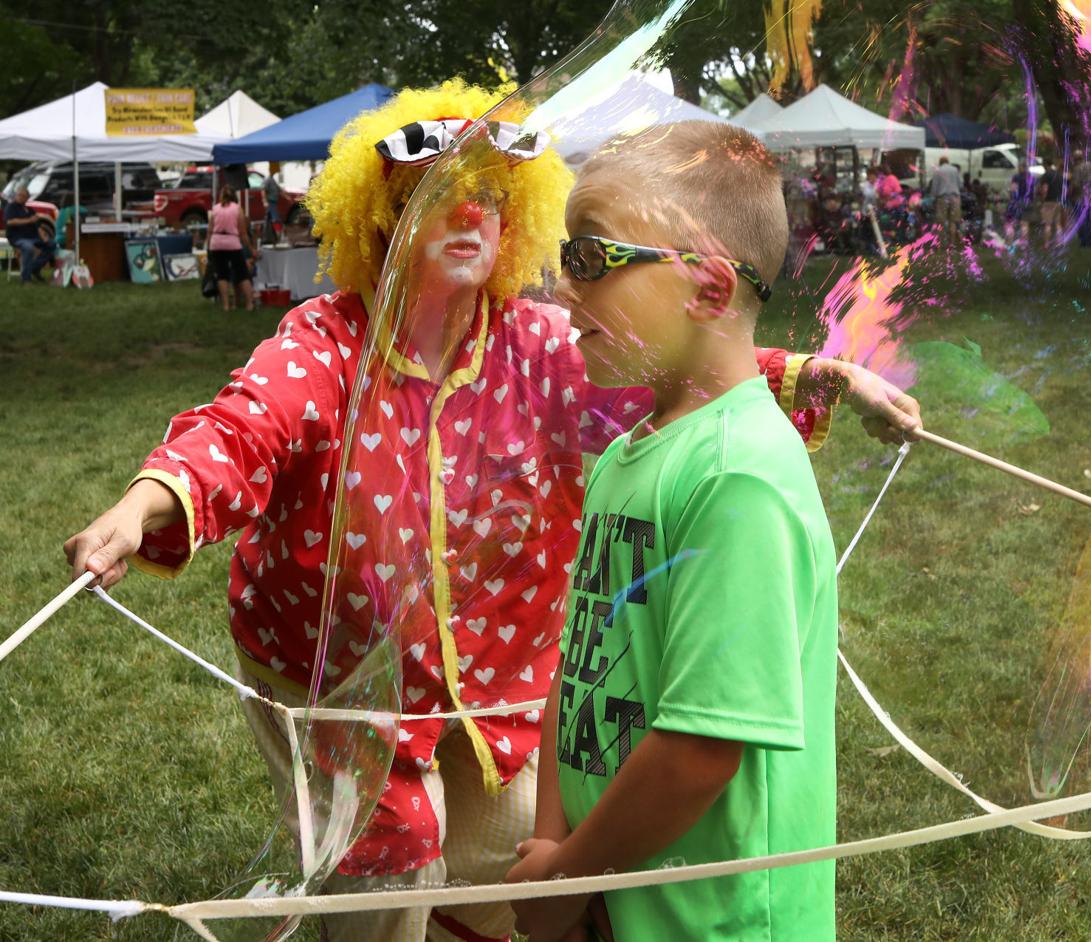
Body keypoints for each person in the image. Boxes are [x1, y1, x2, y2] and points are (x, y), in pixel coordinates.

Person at [64, 82, 920, 942]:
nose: (470, 213)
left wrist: (822, 374)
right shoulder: (325, 345)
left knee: (503, 855)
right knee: (390, 853)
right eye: (435, 195)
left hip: (497, 674)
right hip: (337, 676)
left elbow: (682, 362)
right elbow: (241, 428)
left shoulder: (541, 345)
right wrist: (145, 504)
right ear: (382, 220)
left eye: (491, 196)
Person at [507, 120, 840, 942]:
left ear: (709, 291)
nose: (563, 291)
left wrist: (568, 875)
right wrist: (552, 851)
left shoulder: (739, 475)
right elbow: (579, 670)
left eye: (591, 258)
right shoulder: (627, 457)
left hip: (716, 924)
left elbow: (700, 750)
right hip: (610, 891)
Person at [205, 184, 257, 310]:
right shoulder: (237, 209)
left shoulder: (215, 209)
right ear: (235, 197)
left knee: (222, 275)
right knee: (242, 274)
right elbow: (243, 234)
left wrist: (208, 247)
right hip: (232, 242)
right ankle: (249, 304)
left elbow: (210, 230)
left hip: (216, 243)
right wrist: (252, 249)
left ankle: (226, 305)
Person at [3, 184, 55, 284]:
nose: (20, 197)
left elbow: (38, 226)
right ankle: (26, 278)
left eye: (23, 196)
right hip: (18, 238)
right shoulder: (11, 207)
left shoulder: (30, 210)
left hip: (33, 237)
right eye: (19, 195)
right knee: (28, 247)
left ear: (27, 198)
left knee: (52, 244)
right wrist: (28, 220)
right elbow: (10, 222)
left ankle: (34, 268)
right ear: (16, 196)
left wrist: (43, 236)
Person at [929, 156, 963, 239]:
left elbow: (934, 187)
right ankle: (952, 242)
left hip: (942, 198)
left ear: (940, 162)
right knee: (953, 221)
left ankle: (941, 242)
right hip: (955, 198)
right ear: (948, 162)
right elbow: (960, 185)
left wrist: (933, 198)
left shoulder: (938, 171)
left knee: (941, 222)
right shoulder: (955, 170)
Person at [1005, 159, 1037, 245]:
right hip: (1028, 202)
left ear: (1022, 167)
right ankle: (1024, 243)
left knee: (1010, 223)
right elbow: (1034, 191)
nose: (1018, 168)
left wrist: (1009, 193)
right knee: (1025, 224)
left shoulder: (1017, 177)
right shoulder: (1032, 177)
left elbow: (1013, 189)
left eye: (1019, 167)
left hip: (1018, 201)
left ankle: (1009, 242)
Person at [1068, 150, 1091, 248]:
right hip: (1090, 197)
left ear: (1075, 159)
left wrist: (1069, 192)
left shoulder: (1077, 168)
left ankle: (1084, 242)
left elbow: (1075, 184)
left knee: (1081, 220)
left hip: (1079, 197)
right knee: (1087, 219)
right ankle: (1089, 240)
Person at [1038, 159, 1066, 246]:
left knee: (1048, 224)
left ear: (1046, 165)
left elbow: (1045, 189)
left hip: (1049, 202)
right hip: (1058, 202)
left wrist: (1042, 201)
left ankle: (1046, 244)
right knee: (1058, 224)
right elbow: (1065, 189)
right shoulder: (1059, 175)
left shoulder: (1046, 175)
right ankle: (1059, 242)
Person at [263, 164, 283, 243]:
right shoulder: (268, 179)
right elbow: (263, 190)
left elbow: (279, 189)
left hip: (274, 202)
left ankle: (274, 236)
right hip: (271, 202)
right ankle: (276, 237)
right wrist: (265, 201)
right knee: (275, 219)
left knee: (271, 219)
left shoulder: (272, 179)